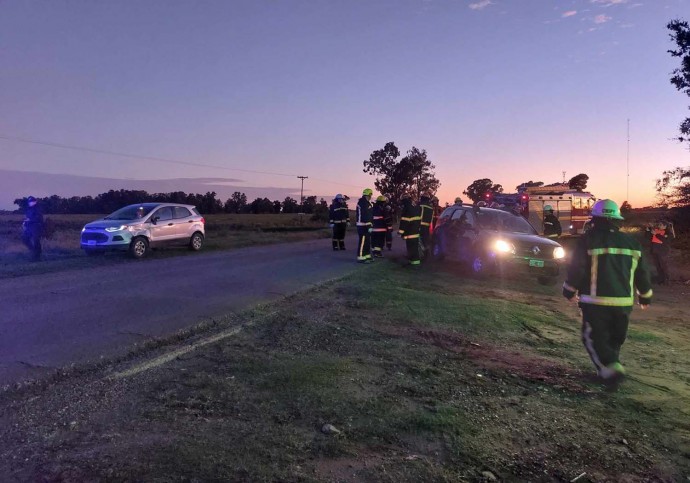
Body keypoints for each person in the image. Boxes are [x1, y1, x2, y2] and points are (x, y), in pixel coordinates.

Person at [562, 199, 653, 388]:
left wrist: (569, 289)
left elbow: (577, 268)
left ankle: (612, 369)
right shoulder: (632, 243)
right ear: (616, 220)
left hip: (595, 301)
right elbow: (642, 272)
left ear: (594, 218)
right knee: (614, 338)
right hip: (623, 303)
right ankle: (607, 372)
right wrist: (645, 295)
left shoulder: (588, 240)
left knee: (593, 338)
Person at [646, 219, 675, 284]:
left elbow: (665, 240)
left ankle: (667, 280)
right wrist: (648, 230)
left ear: (665, 226)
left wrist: (656, 234)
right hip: (655, 251)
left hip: (663, 252)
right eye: (659, 224)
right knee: (658, 266)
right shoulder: (656, 231)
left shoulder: (668, 233)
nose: (659, 226)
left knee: (664, 266)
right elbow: (648, 237)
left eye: (661, 225)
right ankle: (661, 279)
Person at [398, 196, 422, 266]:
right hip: (416, 231)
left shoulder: (406, 208)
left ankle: (413, 262)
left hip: (410, 232)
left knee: (411, 248)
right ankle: (415, 261)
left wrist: (401, 232)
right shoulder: (416, 207)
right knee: (414, 247)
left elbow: (404, 221)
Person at [21, 196, 44, 261]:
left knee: (36, 241)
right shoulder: (28, 209)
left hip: (36, 227)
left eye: (31, 201)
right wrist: (24, 223)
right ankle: (33, 250)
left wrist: (30, 220)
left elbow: (39, 218)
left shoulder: (37, 209)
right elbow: (26, 218)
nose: (30, 203)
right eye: (29, 202)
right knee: (24, 238)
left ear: (35, 202)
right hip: (29, 227)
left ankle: (37, 256)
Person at [356, 188, 374, 263]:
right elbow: (365, 215)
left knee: (367, 242)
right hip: (363, 226)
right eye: (370, 195)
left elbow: (369, 215)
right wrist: (369, 225)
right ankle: (360, 257)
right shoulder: (363, 203)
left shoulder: (366, 203)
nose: (371, 196)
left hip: (366, 225)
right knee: (363, 242)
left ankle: (367, 255)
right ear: (368, 195)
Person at [419, 194, 434, 259]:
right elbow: (431, 220)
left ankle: (420, 254)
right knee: (426, 240)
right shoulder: (431, 208)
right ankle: (426, 255)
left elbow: (419, 217)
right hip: (427, 227)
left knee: (419, 240)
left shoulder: (420, 206)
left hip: (420, 226)